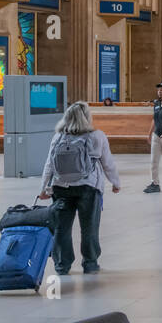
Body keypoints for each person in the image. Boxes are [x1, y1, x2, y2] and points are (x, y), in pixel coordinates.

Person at [37, 101, 121, 275]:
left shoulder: (58, 137)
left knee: (62, 227)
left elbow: (49, 164)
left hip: (60, 187)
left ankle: (62, 265)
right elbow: (108, 163)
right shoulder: (96, 136)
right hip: (88, 187)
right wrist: (115, 182)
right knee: (89, 226)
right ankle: (90, 263)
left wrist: (44, 187)